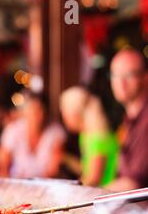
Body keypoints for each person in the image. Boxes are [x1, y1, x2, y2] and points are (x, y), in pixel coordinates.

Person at [0, 91, 66, 179]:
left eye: (41, 110)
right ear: (24, 113)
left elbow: (54, 169)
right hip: (16, 183)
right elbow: (2, 166)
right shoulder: (13, 130)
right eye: (33, 111)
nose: (38, 116)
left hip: (45, 184)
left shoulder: (56, 132)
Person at [60, 86, 119, 187]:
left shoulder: (98, 137)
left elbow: (94, 178)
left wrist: (71, 191)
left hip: (106, 195)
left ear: (76, 114)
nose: (64, 119)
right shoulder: (86, 135)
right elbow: (87, 169)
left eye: (64, 114)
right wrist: (65, 158)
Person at [107, 48, 148, 191]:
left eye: (129, 75)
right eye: (115, 75)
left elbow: (133, 183)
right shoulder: (129, 119)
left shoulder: (145, 121)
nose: (121, 83)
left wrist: (89, 197)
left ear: (145, 77)